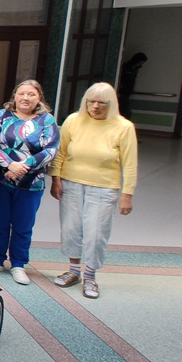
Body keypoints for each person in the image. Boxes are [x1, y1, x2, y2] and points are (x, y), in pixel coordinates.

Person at [50, 83, 137, 299]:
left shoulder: (123, 127)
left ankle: (90, 275)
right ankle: (73, 271)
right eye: (91, 101)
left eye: (101, 103)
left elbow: (130, 164)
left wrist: (127, 194)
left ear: (112, 104)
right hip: (71, 183)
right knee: (71, 229)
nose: (95, 106)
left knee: (96, 233)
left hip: (104, 187)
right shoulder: (73, 120)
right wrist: (55, 178)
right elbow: (60, 152)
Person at [0, 79, 60, 285]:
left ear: (39, 98)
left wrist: (22, 167)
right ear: (15, 96)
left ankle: (18, 264)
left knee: (23, 225)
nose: (26, 98)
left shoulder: (47, 120)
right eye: (22, 93)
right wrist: (9, 165)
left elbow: (51, 150)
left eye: (31, 94)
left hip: (31, 183)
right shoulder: (1, 116)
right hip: (1, 180)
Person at [117, 52, 148, 119]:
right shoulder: (126, 67)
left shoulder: (135, 69)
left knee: (124, 111)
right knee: (125, 112)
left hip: (127, 92)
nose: (141, 64)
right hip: (122, 92)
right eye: (140, 62)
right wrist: (119, 91)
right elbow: (120, 79)